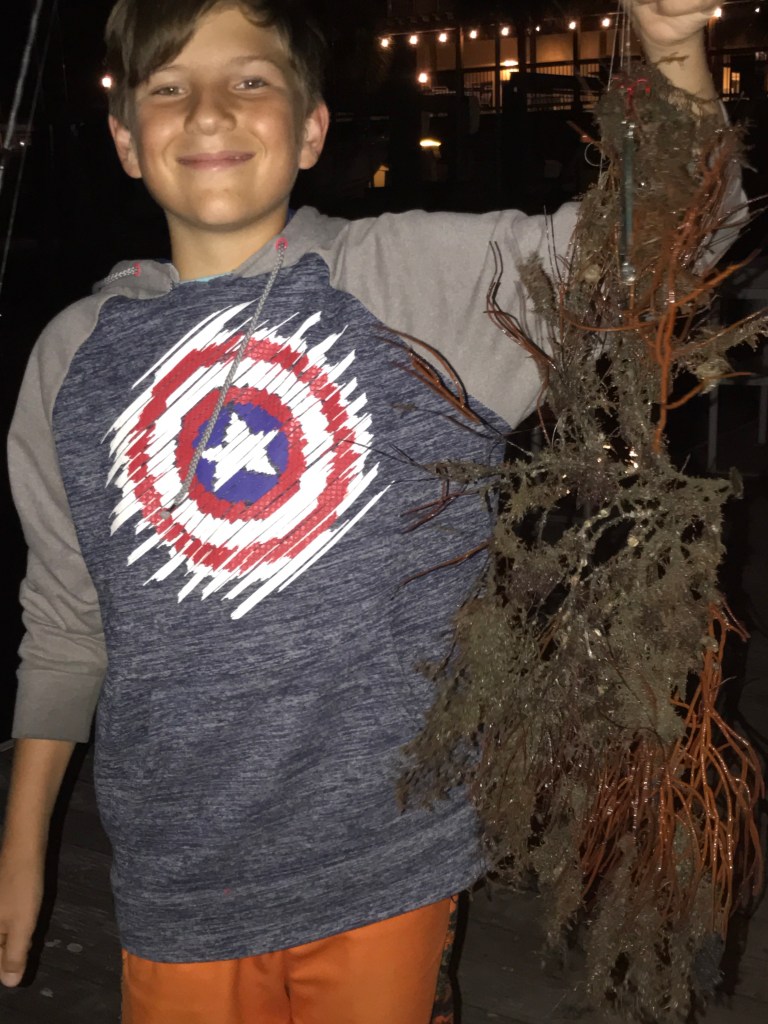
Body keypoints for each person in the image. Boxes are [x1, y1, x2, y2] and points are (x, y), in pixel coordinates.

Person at [0, 2, 738, 1022]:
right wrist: (22, 838)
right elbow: (66, 619)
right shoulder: (74, 357)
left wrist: (671, 45)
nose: (208, 109)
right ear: (126, 138)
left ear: (311, 128)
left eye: (250, 79)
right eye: (167, 86)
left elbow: (659, 247)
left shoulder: (408, 285)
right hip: (175, 882)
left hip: (389, 866)